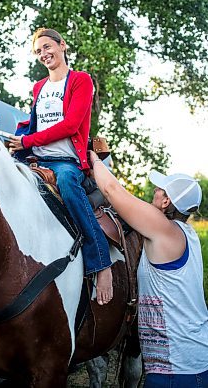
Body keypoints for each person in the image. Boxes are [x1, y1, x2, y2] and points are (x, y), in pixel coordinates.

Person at [8, 27, 113, 305]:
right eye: (38, 51)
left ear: (62, 45)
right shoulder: (39, 87)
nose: (44, 54)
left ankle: (101, 262)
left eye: (47, 47)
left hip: (67, 161)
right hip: (37, 157)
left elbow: (71, 125)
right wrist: (19, 139)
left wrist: (29, 139)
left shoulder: (81, 80)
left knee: (67, 183)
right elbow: (36, 122)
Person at [89, 149, 208, 387]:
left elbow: (112, 191)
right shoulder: (186, 233)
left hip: (177, 370)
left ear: (166, 202)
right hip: (189, 361)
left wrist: (92, 157)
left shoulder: (164, 230)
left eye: (160, 189)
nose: (154, 191)